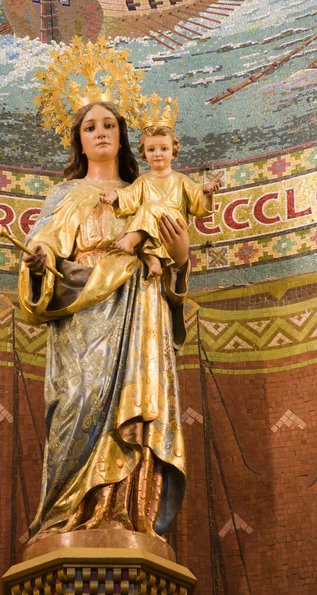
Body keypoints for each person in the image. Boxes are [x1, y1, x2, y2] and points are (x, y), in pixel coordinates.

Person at [18, 102, 212, 542]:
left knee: (135, 409)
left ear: (125, 138)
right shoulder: (64, 195)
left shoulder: (146, 189)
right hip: (81, 310)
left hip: (140, 306)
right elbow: (44, 245)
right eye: (90, 127)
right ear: (79, 140)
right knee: (77, 400)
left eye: (110, 125)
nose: (101, 132)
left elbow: (170, 265)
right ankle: (62, 519)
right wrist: (39, 260)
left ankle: (127, 519)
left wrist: (180, 259)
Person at [100, 125, 220, 278]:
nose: (157, 154)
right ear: (144, 154)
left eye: (164, 149)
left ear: (173, 152)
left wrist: (205, 189)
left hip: (172, 225)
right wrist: (116, 195)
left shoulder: (180, 179)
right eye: (151, 150)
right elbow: (130, 195)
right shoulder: (143, 181)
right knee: (144, 235)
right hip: (149, 227)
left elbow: (194, 194)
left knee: (147, 209)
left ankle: (129, 241)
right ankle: (154, 263)